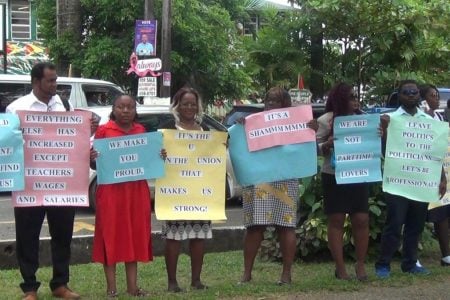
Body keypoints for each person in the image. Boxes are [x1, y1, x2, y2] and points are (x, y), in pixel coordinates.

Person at [6, 62, 93, 300]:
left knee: (63, 235)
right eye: (51, 80)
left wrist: (88, 146)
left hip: (63, 185)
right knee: (27, 237)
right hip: (29, 186)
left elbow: (75, 140)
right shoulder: (16, 109)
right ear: (36, 82)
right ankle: (30, 288)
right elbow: (8, 145)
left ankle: (60, 284)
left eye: (56, 80)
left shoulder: (65, 106)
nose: (55, 84)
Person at [239, 87, 317, 285]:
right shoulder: (254, 122)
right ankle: (246, 273)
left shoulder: (295, 123)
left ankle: (286, 274)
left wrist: (311, 127)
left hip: (285, 178)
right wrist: (242, 127)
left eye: (275, 101)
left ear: (285, 105)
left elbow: (305, 146)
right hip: (259, 179)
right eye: (268, 100)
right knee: (255, 226)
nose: (270, 104)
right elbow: (239, 143)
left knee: (285, 225)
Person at [91, 95, 165, 297]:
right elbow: (94, 163)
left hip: (135, 192)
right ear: (113, 109)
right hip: (111, 193)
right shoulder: (104, 131)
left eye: (130, 107)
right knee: (110, 235)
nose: (125, 111)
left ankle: (133, 287)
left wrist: (159, 156)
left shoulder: (141, 131)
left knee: (133, 236)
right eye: (121, 107)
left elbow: (149, 160)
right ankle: (111, 288)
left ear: (135, 110)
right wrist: (93, 157)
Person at [375, 79, 447, 278]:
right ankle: (383, 264)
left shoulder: (430, 121)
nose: (412, 95)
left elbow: (435, 153)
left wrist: (442, 177)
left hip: (421, 181)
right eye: (407, 92)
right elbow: (382, 150)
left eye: (415, 92)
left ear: (419, 96)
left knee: (416, 224)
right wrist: (384, 131)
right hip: (398, 181)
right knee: (395, 223)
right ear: (400, 96)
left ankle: (409, 263)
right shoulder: (389, 119)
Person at [316, 83, 371, 281]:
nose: (355, 100)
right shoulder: (325, 121)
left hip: (358, 174)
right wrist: (326, 145)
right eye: (351, 96)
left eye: (356, 96)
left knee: (361, 219)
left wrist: (379, 134)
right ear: (340, 99)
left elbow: (373, 145)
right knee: (336, 220)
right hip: (334, 175)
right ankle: (340, 268)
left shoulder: (364, 119)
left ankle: (361, 264)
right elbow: (313, 147)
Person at [159, 87, 212, 292]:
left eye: (192, 103)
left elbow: (212, 156)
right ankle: (172, 282)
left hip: (199, 191)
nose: (189, 107)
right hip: (175, 191)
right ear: (177, 105)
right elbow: (156, 154)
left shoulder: (205, 130)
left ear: (197, 106)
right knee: (173, 237)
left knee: (198, 236)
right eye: (185, 103)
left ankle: (196, 280)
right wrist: (160, 154)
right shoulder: (167, 128)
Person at [420, 84, 450, 267]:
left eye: (437, 95)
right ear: (423, 99)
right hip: (422, 173)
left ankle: (446, 255)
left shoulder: (440, 118)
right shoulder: (420, 119)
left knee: (443, 212)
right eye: (433, 95)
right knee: (417, 215)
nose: (437, 99)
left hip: (442, 171)